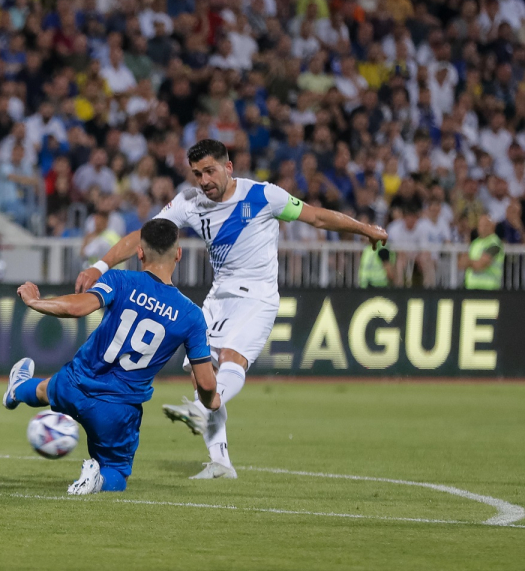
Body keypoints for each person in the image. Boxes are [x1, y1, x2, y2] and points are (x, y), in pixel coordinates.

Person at [75, 139, 387, 479]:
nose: (204, 180)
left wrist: (364, 228)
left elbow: (317, 218)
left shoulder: (264, 195)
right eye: (197, 174)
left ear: (228, 167)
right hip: (219, 296)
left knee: (231, 357)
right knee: (200, 373)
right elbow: (143, 236)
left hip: (258, 296)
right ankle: (220, 462)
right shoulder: (189, 202)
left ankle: (198, 410)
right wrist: (100, 266)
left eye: (210, 171)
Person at [4, 219, 219, 494]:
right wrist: (210, 401)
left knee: (47, 389)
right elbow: (206, 383)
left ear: (140, 253)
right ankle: (96, 480)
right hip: (118, 409)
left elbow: (78, 308)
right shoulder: (191, 315)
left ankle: (17, 390)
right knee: (116, 471)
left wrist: (36, 302)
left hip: (76, 383)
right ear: (178, 254)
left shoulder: (119, 279)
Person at [461, 214, 505, 290]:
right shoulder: (475, 243)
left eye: (486, 225)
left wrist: (469, 262)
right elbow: (461, 263)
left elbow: (481, 264)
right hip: (471, 288)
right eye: (481, 225)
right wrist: (471, 262)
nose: (483, 228)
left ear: (492, 226)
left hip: (489, 289)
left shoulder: (495, 243)